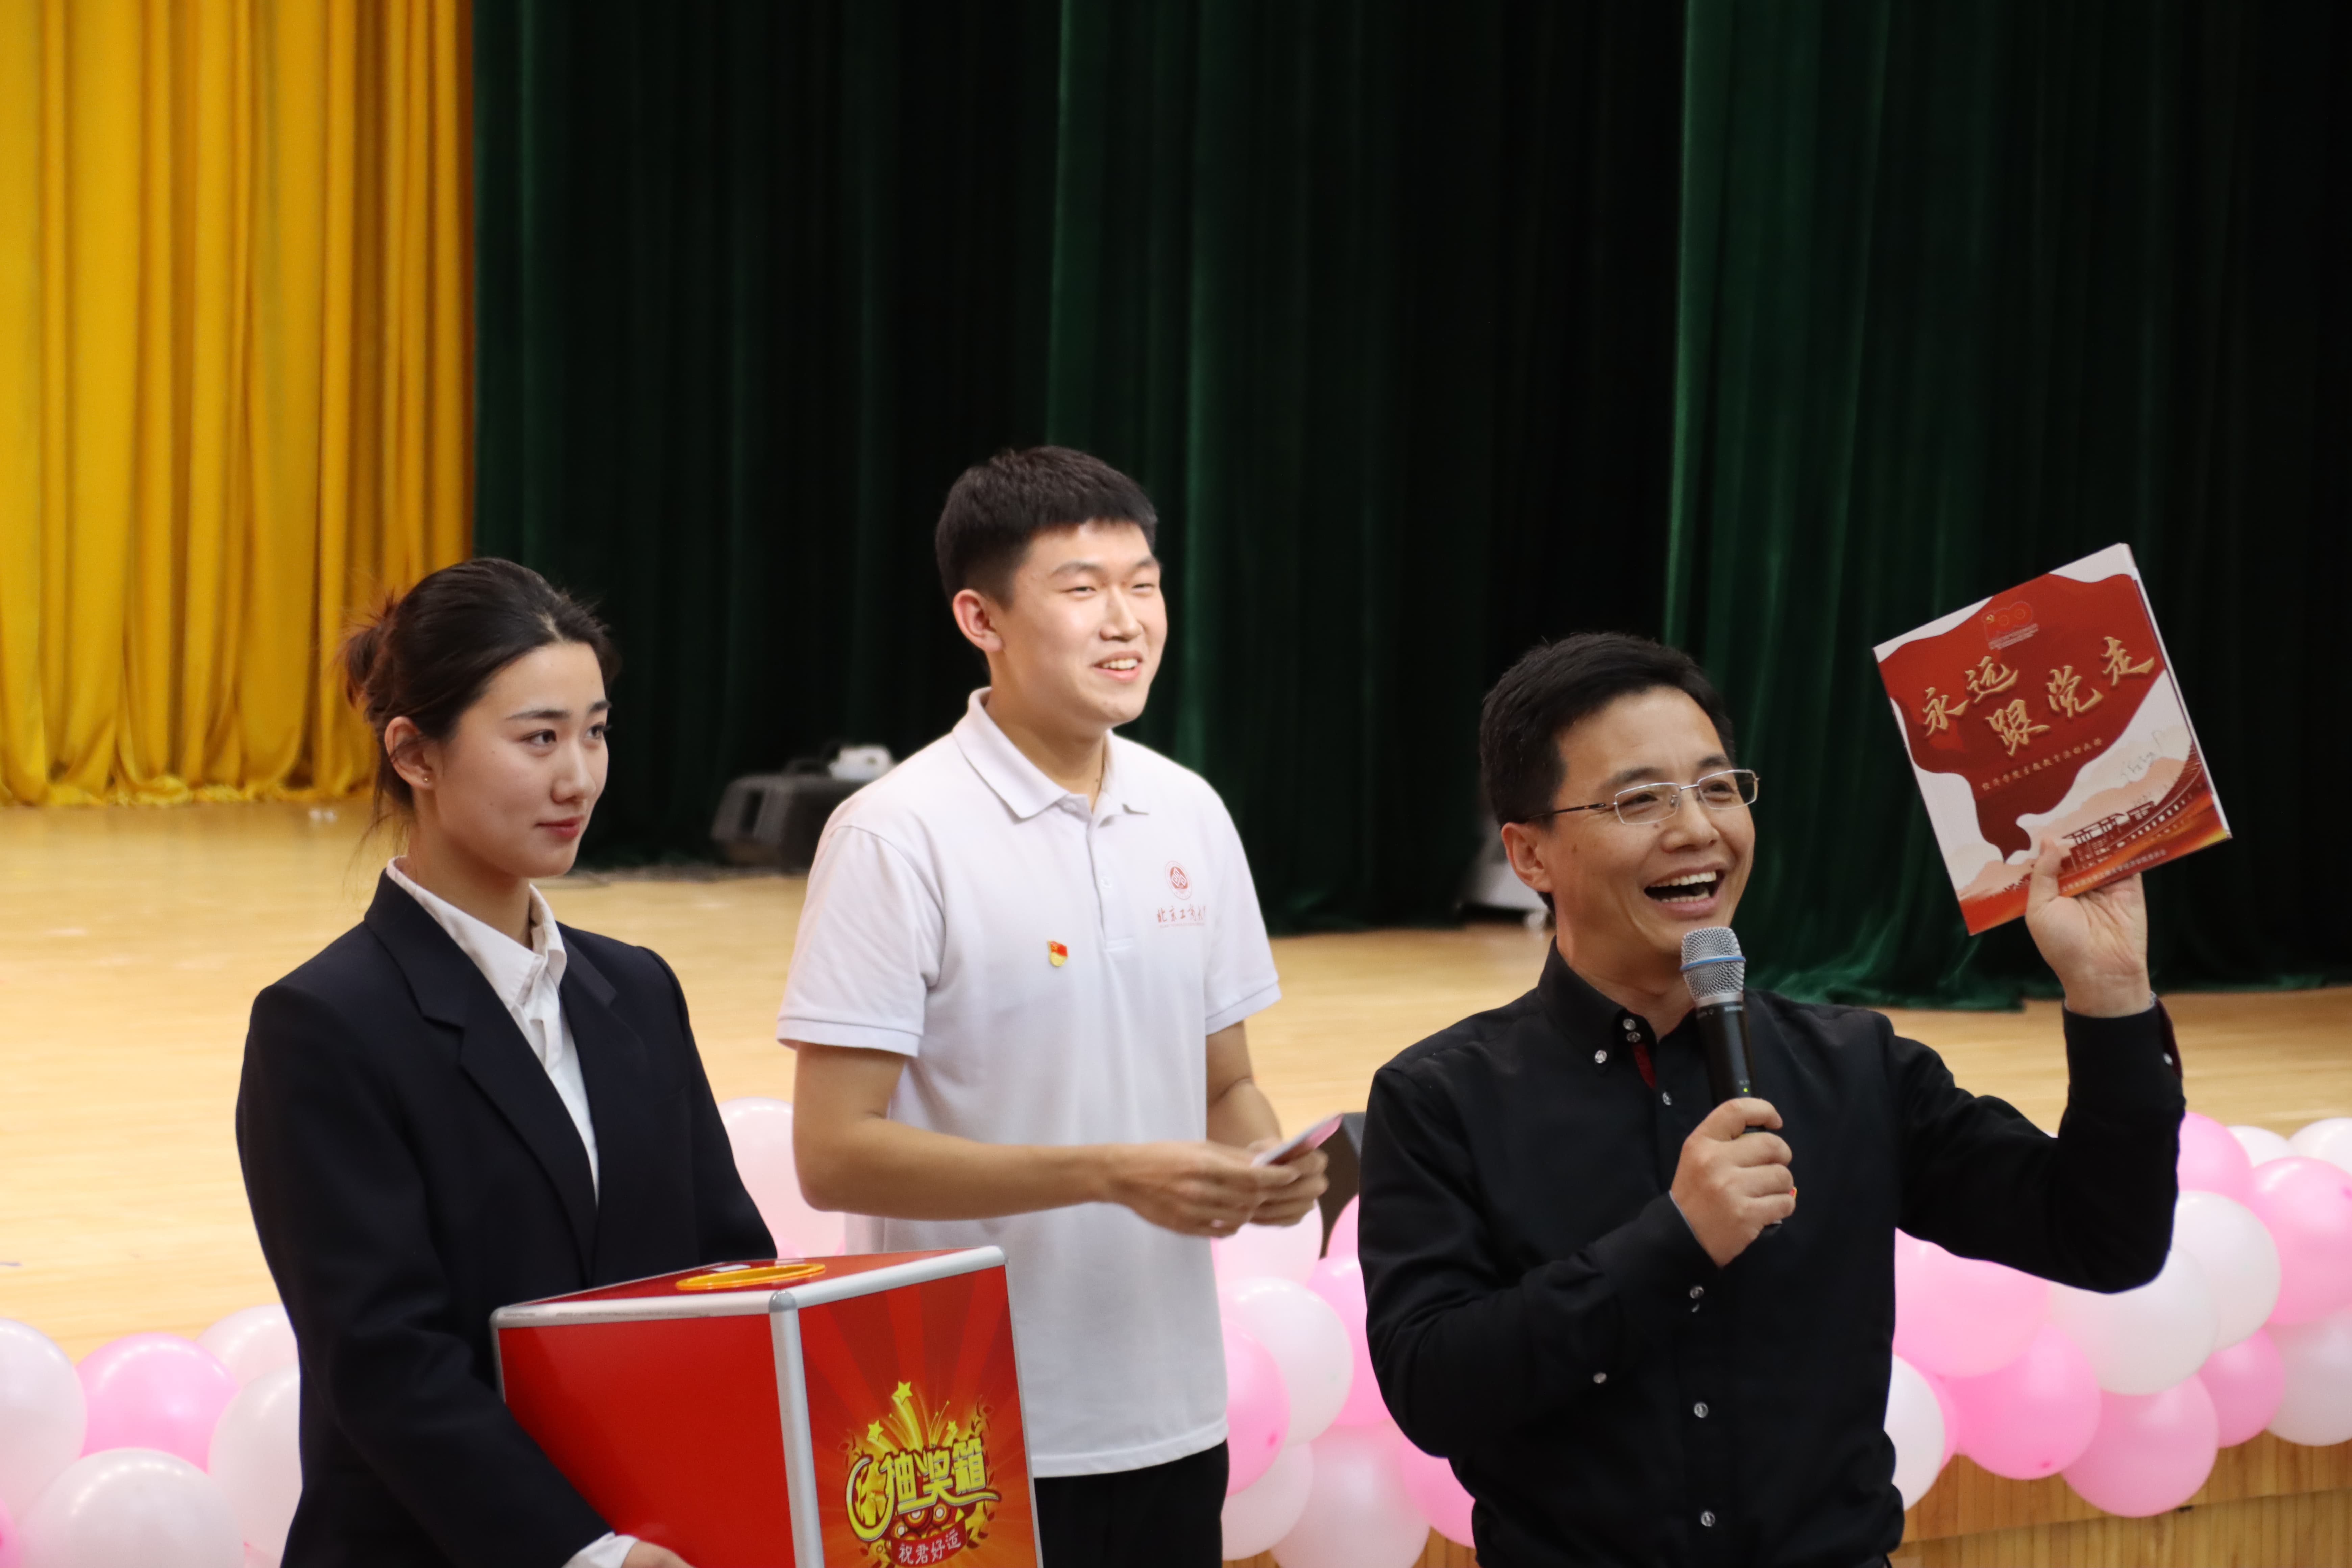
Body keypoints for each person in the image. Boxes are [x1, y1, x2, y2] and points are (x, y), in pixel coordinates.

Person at [1359, 633, 2182, 1568]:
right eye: (1640, 800)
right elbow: (1434, 1391)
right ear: (1530, 853)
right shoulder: (1441, 1099)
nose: (1696, 829)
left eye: (1718, 788)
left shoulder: (1856, 1067)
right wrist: (1673, 1242)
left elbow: (2105, 1240)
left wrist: (2112, 994)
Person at [781, 446, 1328, 1566]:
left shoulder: (1190, 811)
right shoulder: (897, 833)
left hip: (1175, 1413)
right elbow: (835, 1156)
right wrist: (1109, 1173)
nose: (1127, 621)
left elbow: (1225, 1081)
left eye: (1145, 584)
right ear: (980, 617)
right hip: (958, 1431)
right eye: (1083, 589)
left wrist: (1264, 1168)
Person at [237, 559, 773, 1568]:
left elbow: (729, 1271)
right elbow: (385, 1360)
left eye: (595, 732)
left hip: (662, 1530)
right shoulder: (325, 1024)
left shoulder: (638, 989)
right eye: (538, 739)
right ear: (414, 753)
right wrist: (590, 1554)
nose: (579, 778)